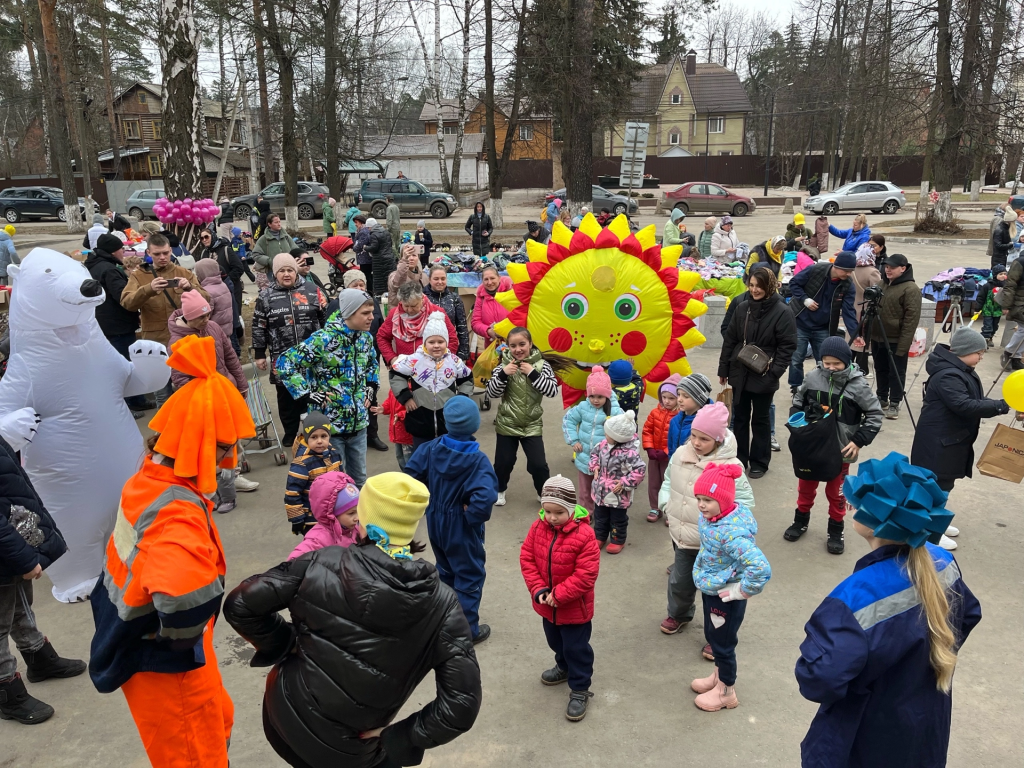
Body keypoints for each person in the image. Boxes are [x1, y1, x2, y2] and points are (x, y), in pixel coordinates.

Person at [223, 472, 483, 768]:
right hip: (351, 751)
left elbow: (240, 603)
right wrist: (400, 737)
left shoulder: (318, 561)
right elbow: (462, 705)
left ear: (365, 519)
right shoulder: (444, 604)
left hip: (283, 716)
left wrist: (286, 642)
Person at [88, 336, 255, 768]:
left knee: (217, 723)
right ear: (201, 443)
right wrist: (183, 645)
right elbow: (182, 600)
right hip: (168, 665)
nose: (228, 458)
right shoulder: (176, 514)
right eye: (223, 446)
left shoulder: (147, 479)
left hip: (136, 637)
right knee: (194, 755)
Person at [795, 452, 981, 768]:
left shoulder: (852, 598)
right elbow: (968, 613)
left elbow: (819, 679)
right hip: (924, 718)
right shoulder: (942, 562)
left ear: (875, 522)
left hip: (863, 733)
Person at [0, 435, 86, 725]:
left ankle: (38, 657)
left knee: (20, 603)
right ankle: (7, 692)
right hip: (6, 546)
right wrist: (23, 557)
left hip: (10, 543)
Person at [404, 396, 498, 643]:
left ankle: (443, 621)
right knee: (469, 575)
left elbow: (410, 477)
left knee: (445, 570)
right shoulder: (478, 461)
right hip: (461, 524)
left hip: (435, 519)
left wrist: (428, 501)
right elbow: (485, 497)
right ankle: (466, 632)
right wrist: (471, 517)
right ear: (475, 425)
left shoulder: (429, 448)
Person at [658, 402, 753, 640]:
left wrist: (730, 529)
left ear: (719, 440)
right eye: (694, 436)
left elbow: (744, 502)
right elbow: (669, 479)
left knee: (717, 593)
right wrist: (665, 503)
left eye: (704, 439)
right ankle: (679, 614)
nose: (697, 443)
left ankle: (719, 637)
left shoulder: (731, 467)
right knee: (680, 581)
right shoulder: (681, 454)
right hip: (684, 536)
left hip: (716, 545)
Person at [911, 327, 1011, 549]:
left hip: (951, 441)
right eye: (979, 353)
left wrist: (1001, 404)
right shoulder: (949, 375)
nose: (982, 357)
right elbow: (963, 405)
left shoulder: (960, 370)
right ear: (964, 351)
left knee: (945, 483)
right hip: (939, 443)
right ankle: (930, 530)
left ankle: (938, 521)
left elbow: (974, 399)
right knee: (937, 486)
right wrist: (1002, 406)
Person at [787, 337, 883, 554]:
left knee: (837, 493)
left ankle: (836, 529)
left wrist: (858, 441)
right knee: (806, 487)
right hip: (811, 446)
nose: (830, 368)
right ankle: (800, 520)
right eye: (826, 363)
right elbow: (797, 401)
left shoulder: (858, 385)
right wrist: (797, 422)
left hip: (840, 449)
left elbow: (875, 414)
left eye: (836, 364)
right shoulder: (812, 377)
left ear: (847, 362)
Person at [276, 289, 380, 488]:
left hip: (359, 426)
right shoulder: (323, 339)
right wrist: (306, 394)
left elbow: (371, 364)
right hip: (329, 429)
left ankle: (354, 518)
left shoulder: (365, 339)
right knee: (333, 484)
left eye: (372, 312)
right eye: (365, 313)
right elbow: (284, 362)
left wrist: (372, 386)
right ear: (349, 313)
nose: (371, 317)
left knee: (359, 481)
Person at [690, 462, 771, 712]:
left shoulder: (730, 532)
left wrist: (741, 591)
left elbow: (760, 567)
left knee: (723, 644)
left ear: (724, 501)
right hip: (713, 586)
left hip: (726, 596)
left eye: (708, 500)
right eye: (699, 498)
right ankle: (718, 678)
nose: (701, 505)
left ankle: (726, 692)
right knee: (715, 638)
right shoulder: (714, 518)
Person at [519, 475, 600, 722]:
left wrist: (560, 595)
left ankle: (579, 688)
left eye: (558, 512)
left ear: (571, 509)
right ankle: (563, 666)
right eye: (547, 511)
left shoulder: (585, 535)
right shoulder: (537, 528)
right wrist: (539, 589)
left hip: (574, 609)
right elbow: (527, 559)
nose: (552, 517)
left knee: (577, 648)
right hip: (547, 606)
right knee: (555, 641)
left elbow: (586, 575)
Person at [718, 267, 796, 478]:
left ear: (769, 286)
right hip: (740, 371)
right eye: (751, 285)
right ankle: (740, 460)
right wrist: (723, 368)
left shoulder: (782, 311)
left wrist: (774, 373)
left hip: (764, 373)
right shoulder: (742, 307)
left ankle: (760, 461)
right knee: (740, 418)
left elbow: (787, 347)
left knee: (761, 419)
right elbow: (730, 340)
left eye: (759, 286)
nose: (754, 290)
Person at [120, 233, 208, 406]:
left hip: (185, 342)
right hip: (156, 344)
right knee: (163, 396)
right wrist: (148, 289)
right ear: (148, 253)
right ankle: (166, 431)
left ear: (171, 251)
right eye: (157, 254)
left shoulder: (183, 272)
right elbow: (127, 303)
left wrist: (190, 288)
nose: (162, 257)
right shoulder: (139, 275)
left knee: (190, 391)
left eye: (166, 253)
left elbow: (207, 300)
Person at [252, 253, 328, 448]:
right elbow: (259, 326)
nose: (286, 274)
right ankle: (290, 432)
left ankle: (314, 432)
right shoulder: (266, 296)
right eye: (282, 271)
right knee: (286, 397)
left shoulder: (312, 290)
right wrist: (260, 354)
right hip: (281, 357)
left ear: (296, 271)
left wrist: (327, 347)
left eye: (290, 270)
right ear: (275, 274)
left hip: (311, 356)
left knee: (312, 394)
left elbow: (324, 320)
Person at [486, 326, 565, 506]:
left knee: (539, 464)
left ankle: (542, 491)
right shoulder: (503, 366)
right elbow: (491, 393)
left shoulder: (541, 365)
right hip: (507, 423)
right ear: (508, 347)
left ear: (530, 344)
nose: (518, 349)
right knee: (503, 463)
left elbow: (552, 391)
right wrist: (503, 376)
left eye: (522, 344)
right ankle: (499, 489)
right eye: (513, 346)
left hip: (532, 424)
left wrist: (532, 373)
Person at [389, 312, 474, 450]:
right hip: (420, 422)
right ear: (424, 342)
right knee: (422, 458)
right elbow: (396, 374)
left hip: (447, 422)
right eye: (431, 342)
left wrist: (461, 400)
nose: (436, 346)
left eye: (440, 342)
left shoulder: (454, 361)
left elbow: (467, 379)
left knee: (446, 458)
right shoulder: (415, 360)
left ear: (446, 342)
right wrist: (406, 398)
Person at [85, 233, 146, 413]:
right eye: (121, 249)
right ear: (113, 251)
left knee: (120, 365)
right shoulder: (110, 270)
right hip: (118, 325)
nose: (124, 252)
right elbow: (124, 297)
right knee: (125, 366)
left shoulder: (93, 265)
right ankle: (127, 406)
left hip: (104, 323)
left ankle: (136, 400)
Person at [862, 253, 922, 420]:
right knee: (880, 369)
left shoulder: (911, 289)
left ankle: (895, 402)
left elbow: (911, 320)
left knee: (896, 372)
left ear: (903, 268)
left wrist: (903, 345)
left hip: (896, 339)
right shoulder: (882, 283)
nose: (887, 270)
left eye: (892, 267)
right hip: (878, 336)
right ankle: (881, 398)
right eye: (886, 266)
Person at [787, 249, 858, 391]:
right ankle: (796, 387)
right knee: (796, 359)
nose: (849, 274)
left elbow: (849, 311)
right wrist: (804, 299)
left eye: (851, 271)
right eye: (846, 271)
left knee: (825, 361)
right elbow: (794, 283)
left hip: (823, 327)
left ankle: (823, 387)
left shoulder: (847, 285)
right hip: (801, 322)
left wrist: (856, 334)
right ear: (836, 267)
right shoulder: (816, 270)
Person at [562, 366, 624, 512]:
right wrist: (574, 440)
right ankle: (586, 512)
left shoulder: (615, 411)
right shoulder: (583, 407)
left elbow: (626, 430)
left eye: (600, 397)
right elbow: (568, 420)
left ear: (607, 396)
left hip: (605, 461)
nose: (595, 400)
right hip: (584, 457)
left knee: (604, 489)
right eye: (592, 396)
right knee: (584, 490)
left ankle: (603, 514)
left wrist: (617, 448)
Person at [588, 409, 645, 554]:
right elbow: (594, 454)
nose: (605, 435)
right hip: (600, 489)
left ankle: (617, 539)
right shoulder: (602, 445)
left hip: (618, 493)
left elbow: (639, 470)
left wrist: (626, 482)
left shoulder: (629, 453)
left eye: (608, 434)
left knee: (617, 519)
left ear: (617, 437)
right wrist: (594, 466)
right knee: (600, 516)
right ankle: (599, 537)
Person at [284, 411, 344, 534]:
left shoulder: (334, 455)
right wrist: (297, 519)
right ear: (306, 438)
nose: (320, 441)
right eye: (314, 437)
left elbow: (342, 481)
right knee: (316, 549)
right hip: (312, 520)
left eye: (324, 436)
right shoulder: (301, 463)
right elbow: (292, 493)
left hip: (333, 515)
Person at [377, 281, 457, 367]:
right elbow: (382, 337)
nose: (410, 310)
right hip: (404, 367)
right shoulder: (395, 315)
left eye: (414, 306)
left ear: (422, 299)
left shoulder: (437, 312)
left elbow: (452, 338)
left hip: (433, 367)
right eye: (406, 306)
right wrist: (392, 358)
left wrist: (444, 360)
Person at [288, 471, 359, 561]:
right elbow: (294, 562)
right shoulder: (318, 538)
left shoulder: (353, 529)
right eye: (351, 513)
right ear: (332, 514)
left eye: (359, 510)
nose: (358, 517)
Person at [641, 375, 680, 523]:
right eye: (664, 397)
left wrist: (665, 451)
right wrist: (649, 447)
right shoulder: (654, 413)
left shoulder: (679, 416)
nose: (667, 401)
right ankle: (655, 507)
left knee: (669, 484)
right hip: (654, 457)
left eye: (671, 398)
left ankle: (670, 510)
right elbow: (647, 431)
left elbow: (678, 439)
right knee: (653, 483)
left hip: (669, 458)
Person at [849, 241, 882, 374]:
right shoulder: (872, 272)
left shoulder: (852, 269)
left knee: (852, 338)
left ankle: (849, 366)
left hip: (852, 308)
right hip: (866, 310)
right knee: (864, 340)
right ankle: (863, 368)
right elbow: (879, 292)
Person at [425, 265, 470, 360]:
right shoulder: (423, 298)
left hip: (450, 348)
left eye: (443, 278)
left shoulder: (454, 298)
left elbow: (462, 327)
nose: (440, 282)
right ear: (429, 279)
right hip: (427, 349)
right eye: (436, 279)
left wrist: (463, 353)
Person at [667, 373, 713, 457]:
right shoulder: (674, 421)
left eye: (686, 396)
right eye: (679, 394)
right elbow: (670, 449)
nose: (679, 399)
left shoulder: (706, 424)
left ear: (699, 399)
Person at [193, 258, 235, 340]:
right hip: (225, 332)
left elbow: (205, 316)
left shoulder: (207, 292)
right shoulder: (222, 285)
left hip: (212, 335)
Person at [471, 265, 511, 345]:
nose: (489, 282)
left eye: (492, 278)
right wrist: (488, 331)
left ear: (499, 278)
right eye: (486, 279)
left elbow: (521, 315)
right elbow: (475, 323)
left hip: (513, 343)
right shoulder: (481, 297)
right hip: (492, 345)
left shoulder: (510, 292)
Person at [253, 214, 293, 290]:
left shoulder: (286, 236)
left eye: (279, 221)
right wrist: (269, 261)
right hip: (272, 272)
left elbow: (295, 249)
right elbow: (255, 254)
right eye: (276, 222)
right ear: (269, 224)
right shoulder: (264, 239)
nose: (279, 224)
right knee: (276, 291)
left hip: (288, 270)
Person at [998, 256, 1024, 370]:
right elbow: (1010, 285)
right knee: (1023, 329)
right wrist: (1006, 305)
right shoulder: (1020, 262)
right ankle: (1009, 353)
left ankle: (1015, 357)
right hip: (1020, 301)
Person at [364, 216, 396, 300]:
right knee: (388, 277)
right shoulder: (385, 231)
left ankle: (379, 296)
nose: (368, 229)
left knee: (379, 278)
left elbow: (374, 247)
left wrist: (366, 247)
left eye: (368, 227)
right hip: (389, 258)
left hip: (379, 259)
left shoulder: (374, 234)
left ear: (370, 226)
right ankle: (389, 293)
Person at [381, 389, 414, 469]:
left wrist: (400, 415)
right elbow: (390, 400)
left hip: (407, 434)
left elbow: (416, 409)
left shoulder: (413, 387)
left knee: (409, 461)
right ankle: (406, 476)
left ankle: (412, 479)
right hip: (397, 433)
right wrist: (384, 408)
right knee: (400, 457)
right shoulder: (395, 387)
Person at [387, 244, 426, 308]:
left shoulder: (423, 276)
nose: (411, 258)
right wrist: (404, 260)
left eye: (414, 255)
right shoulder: (394, 275)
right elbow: (397, 285)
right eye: (408, 255)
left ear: (418, 258)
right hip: (399, 314)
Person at [979, 264, 1008, 347]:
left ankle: (990, 338)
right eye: (1000, 274)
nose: (1003, 276)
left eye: (1004, 274)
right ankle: (984, 342)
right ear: (995, 275)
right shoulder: (987, 286)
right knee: (987, 327)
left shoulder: (1006, 286)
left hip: (998, 311)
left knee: (995, 326)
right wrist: (978, 308)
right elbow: (981, 297)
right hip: (987, 309)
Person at [990, 206, 1015, 270]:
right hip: (999, 258)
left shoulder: (1006, 228)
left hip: (1003, 257)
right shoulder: (1000, 230)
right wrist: (1010, 245)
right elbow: (998, 245)